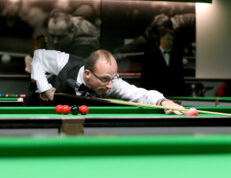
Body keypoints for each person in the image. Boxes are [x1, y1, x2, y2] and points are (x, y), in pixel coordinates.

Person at [30, 49, 185, 115]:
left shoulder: (110, 82)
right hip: (41, 113)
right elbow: (38, 58)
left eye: (112, 78)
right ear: (87, 74)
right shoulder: (63, 62)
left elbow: (139, 94)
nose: (110, 85)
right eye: (105, 79)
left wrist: (162, 101)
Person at [141, 29, 187, 96]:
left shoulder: (177, 56)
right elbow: (145, 77)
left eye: (172, 40)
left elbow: (180, 77)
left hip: (174, 94)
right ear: (161, 39)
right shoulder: (150, 55)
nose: (171, 42)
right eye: (168, 39)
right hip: (155, 95)